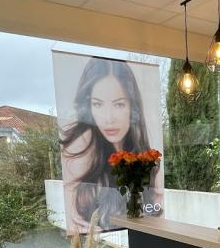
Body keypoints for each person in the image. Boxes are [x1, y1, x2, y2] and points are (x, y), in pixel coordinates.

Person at [60, 57, 162, 232]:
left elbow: (156, 207)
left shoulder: (141, 154)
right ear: (89, 106)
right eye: (98, 104)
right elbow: (75, 220)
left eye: (119, 104)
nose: (108, 118)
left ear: (132, 106)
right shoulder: (83, 145)